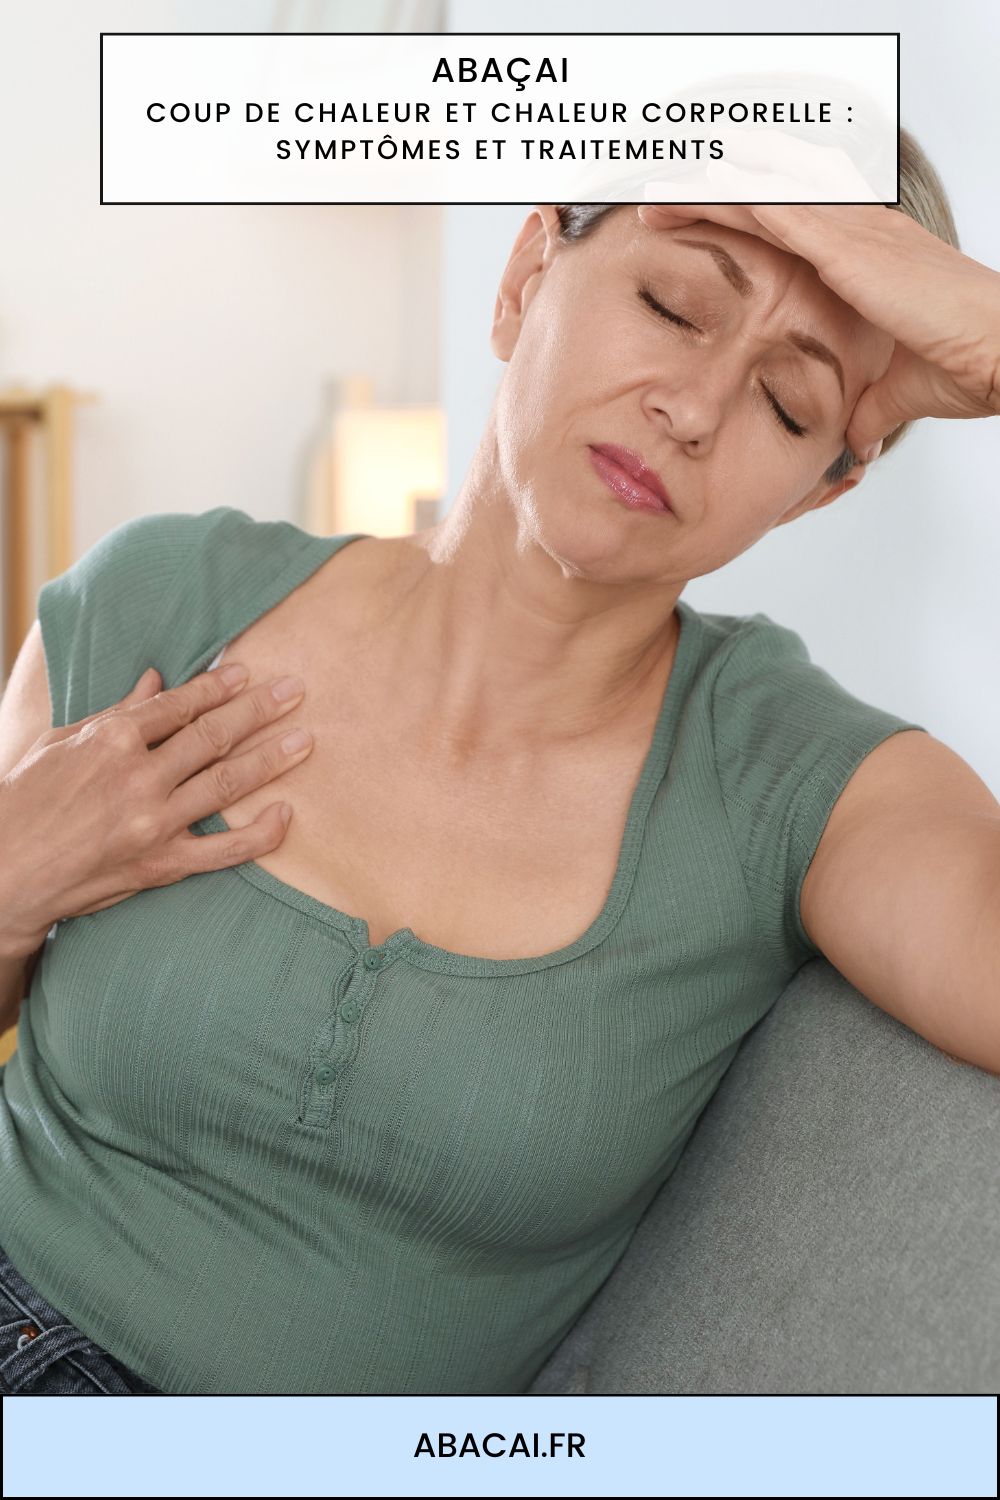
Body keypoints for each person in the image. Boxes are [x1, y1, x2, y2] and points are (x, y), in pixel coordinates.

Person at [1, 128, 998, 1396]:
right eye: (671, 304)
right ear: (526, 274)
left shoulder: (800, 788)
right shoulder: (160, 596)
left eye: (786, 402)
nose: (693, 411)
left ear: (818, 488)